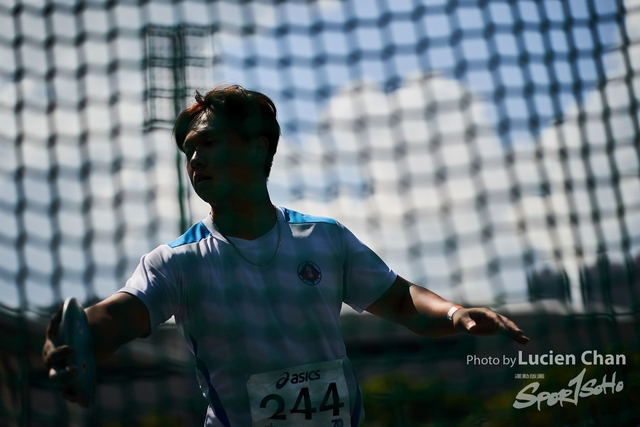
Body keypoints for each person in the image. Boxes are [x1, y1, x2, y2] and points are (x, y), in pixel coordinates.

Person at [43, 84, 529, 426]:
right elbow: (121, 315)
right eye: (189, 150)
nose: (195, 160)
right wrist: (75, 335)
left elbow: (401, 301)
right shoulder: (175, 261)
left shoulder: (325, 238)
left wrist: (456, 313)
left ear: (258, 150)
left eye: (209, 143)